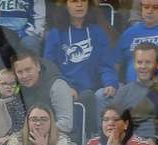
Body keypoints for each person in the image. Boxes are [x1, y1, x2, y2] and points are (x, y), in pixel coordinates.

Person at [43, 0, 119, 135]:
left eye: (83, 1)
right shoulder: (56, 33)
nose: (80, 4)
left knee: (97, 95)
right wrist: (66, 86)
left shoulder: (98, 32)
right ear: (66, 5)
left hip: (93, 87)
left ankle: (95, 138)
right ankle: (83, 139)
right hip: (67, 87)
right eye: (74, 1)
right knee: (83, 96)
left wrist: (110, 82)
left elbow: (106, 64)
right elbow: (49, 66)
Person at [12, 52, 75, 136]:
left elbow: (66, 124)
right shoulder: (15, 89)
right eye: (20, 72)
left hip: (58, 139)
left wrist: (32, 134)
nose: (24, 76)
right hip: (26, 139)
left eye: (28, 70)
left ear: (38, 67)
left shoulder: (57, 85)